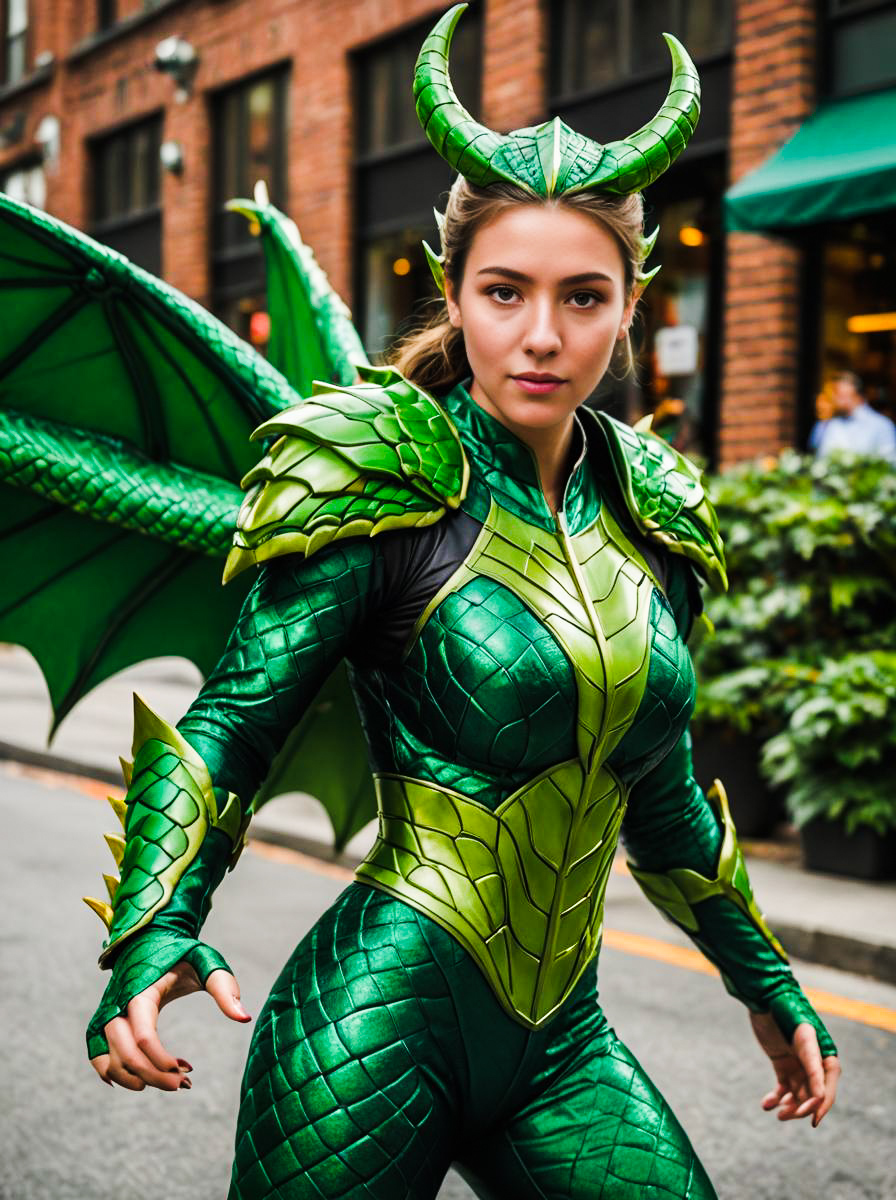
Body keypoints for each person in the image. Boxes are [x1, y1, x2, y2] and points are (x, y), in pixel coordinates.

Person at [83, 7, 840, 1197]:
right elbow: (233, 724)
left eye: (582, 298)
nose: (540, 336)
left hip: (564, 1048)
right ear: (453, 287)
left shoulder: (654, 512)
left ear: (632, 298)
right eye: (504, 292)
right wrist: (147, 933)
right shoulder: (382, 477)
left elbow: (666, 804)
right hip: (369, 1035)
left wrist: (766, 981)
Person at [814, 371, 896, 463]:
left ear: (857, 396)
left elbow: (889, 464)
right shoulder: (830, 424)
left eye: (838, 394)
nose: (833, 399)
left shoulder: (881, 425)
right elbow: (820, 459)